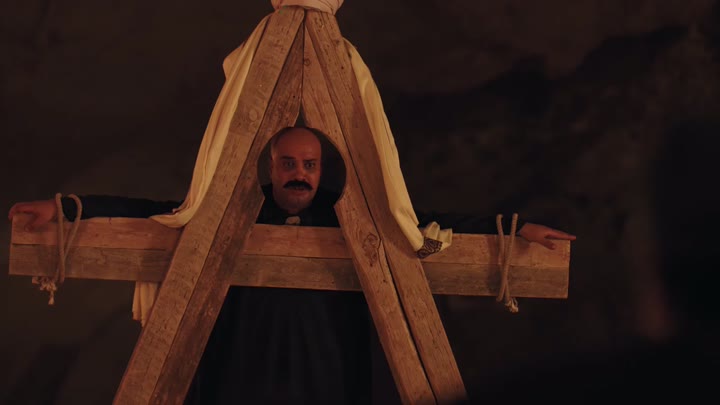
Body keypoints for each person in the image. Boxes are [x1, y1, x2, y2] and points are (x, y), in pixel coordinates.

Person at [8, 126, 576, 404]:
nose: (298, 173)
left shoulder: (353, 218)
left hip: (326, 382)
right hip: (240, 380)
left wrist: (518, 230)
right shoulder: (227, 213)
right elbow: (153, 216)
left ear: (321, 168)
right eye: (287, 163)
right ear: (271, 166)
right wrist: (64, 209)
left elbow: (429, 227)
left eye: (308, 164)